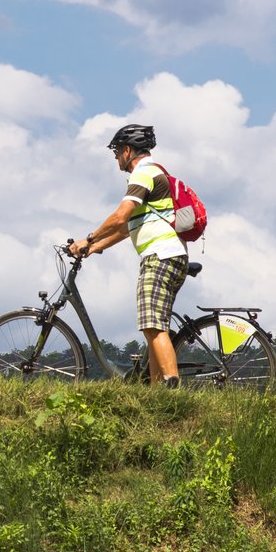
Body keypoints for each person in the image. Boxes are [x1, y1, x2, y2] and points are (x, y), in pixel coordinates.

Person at [70, 124, 187, 386]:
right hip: (167, 255)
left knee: (152, 325)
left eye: (116, 152)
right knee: (152, 326)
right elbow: (125, 229)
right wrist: (94, 247)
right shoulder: (151, 174)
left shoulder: (143, 173)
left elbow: (120, 216)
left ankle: (171, 387)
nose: (115, 157)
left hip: (161, 256)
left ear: (127, 150)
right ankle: (157, 391)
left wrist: (88, 238)